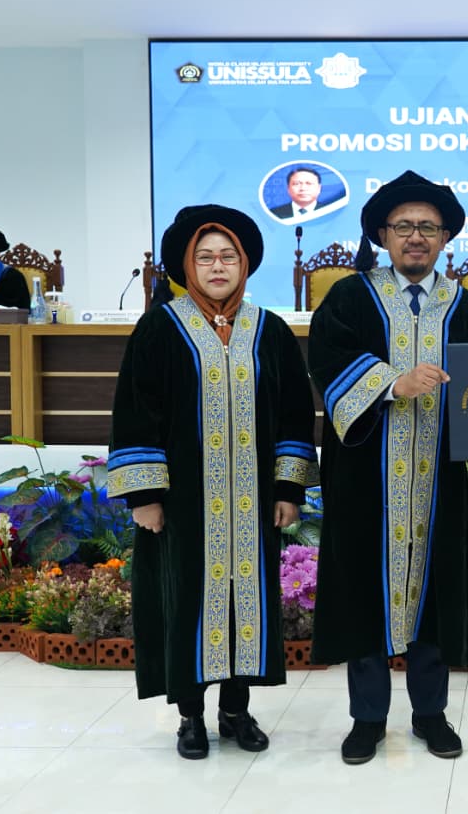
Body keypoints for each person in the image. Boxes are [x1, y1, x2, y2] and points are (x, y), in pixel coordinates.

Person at [107, 204, 318, 760]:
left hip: (253, 504)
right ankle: (191, 716)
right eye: (206, 257)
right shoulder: (160, 327)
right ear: (188, 266)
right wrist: (145, 496)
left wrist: (288, 489)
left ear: (244, 264)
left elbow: (295, 414)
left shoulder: (269, 330)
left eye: (228, 256)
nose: (218, 266)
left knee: (246, 605)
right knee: (188, 604)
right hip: (183, 505)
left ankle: (236, 711)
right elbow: (136, 411)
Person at [307, 170, 468, 765]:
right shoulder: (349, 298)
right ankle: (367, 718)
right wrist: (394, 383)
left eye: (427, 227)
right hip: (365, 478)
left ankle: (431, 714)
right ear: (382, 235)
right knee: (364, 592)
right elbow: (327, 364)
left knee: (436, 594)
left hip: (439, 482)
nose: (415, 237)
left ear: (445, 238)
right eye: (403, 226)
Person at [270, 166, 338, 219]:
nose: (303, 188)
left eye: (309, 183)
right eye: (297, 184)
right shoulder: (273, 214)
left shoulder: (331, 212)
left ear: (319, 188)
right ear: (288, 188)